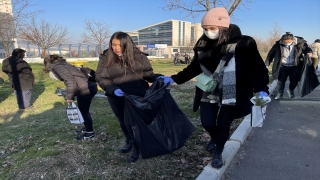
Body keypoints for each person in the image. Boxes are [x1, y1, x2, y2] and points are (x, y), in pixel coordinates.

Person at [158, 7, 269, 169]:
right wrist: (174, 78)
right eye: (205, 29)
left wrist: (261, 89)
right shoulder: (203, 44)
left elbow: (256, 68)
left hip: (234, 91)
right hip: (210, 89)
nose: (208, 32)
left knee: (224, 122)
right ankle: (215, 137)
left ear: (224, 27)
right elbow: (194, 67)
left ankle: (218, 151)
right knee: (207, 122)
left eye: (212, 28)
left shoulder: (244, 43)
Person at [95, 31, 164, 162]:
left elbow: (147, 74)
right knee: (122, 121)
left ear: (127, 44)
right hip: (116, 95)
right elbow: (101, 77)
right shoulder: (106, 57)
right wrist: (112, 89)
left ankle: (137, 146)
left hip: (137, 95)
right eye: (113, 44)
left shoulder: (139, 56)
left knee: (133, 122)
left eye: (120, 45)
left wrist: (157, 77)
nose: (116, 48)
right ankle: (130, 141)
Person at [43, 55, 98, 140]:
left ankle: (90, 133)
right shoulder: (64, 65)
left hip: (85, 89)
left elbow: (70, 81)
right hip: (89, 86)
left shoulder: (58, 68)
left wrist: (69, 97)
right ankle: (87, 128)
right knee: (82, 110)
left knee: (84, 111)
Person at [265, 32, 313, 99]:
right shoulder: (278, 44)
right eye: (284, 42)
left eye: (288, 43)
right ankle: (280, 93)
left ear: (292, 40)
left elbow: (307, 49)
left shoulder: (300, 43)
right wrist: (267, 64)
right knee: (281, 80)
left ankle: (291, 90)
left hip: (295, 65)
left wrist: (309, 52)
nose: (286, 44)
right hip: (282, 66)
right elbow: (270, 55)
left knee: (294, 80)